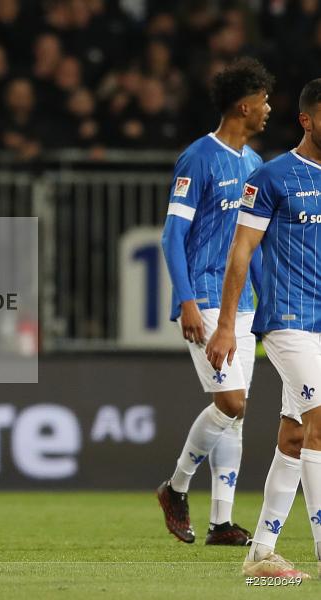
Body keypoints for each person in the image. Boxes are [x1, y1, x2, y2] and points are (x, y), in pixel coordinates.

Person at [207, 77, 321, 579]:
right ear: (307, 119)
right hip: (289, 321)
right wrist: (227, 325)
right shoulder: (273, 178)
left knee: (295, 436)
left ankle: (261, 555)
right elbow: (242, 252)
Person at [156, 57, 273, 546]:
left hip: (243, 302)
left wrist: (266, 304)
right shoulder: (197, 158)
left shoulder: (254, 165)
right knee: (231, 400)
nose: (268, 109)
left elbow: (253, 245)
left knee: (237, 411)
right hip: (204, 297)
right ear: (244, 105)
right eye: (264, 101)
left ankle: (221, 522)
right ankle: (176, 487)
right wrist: (185, 300)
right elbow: (171, 236)